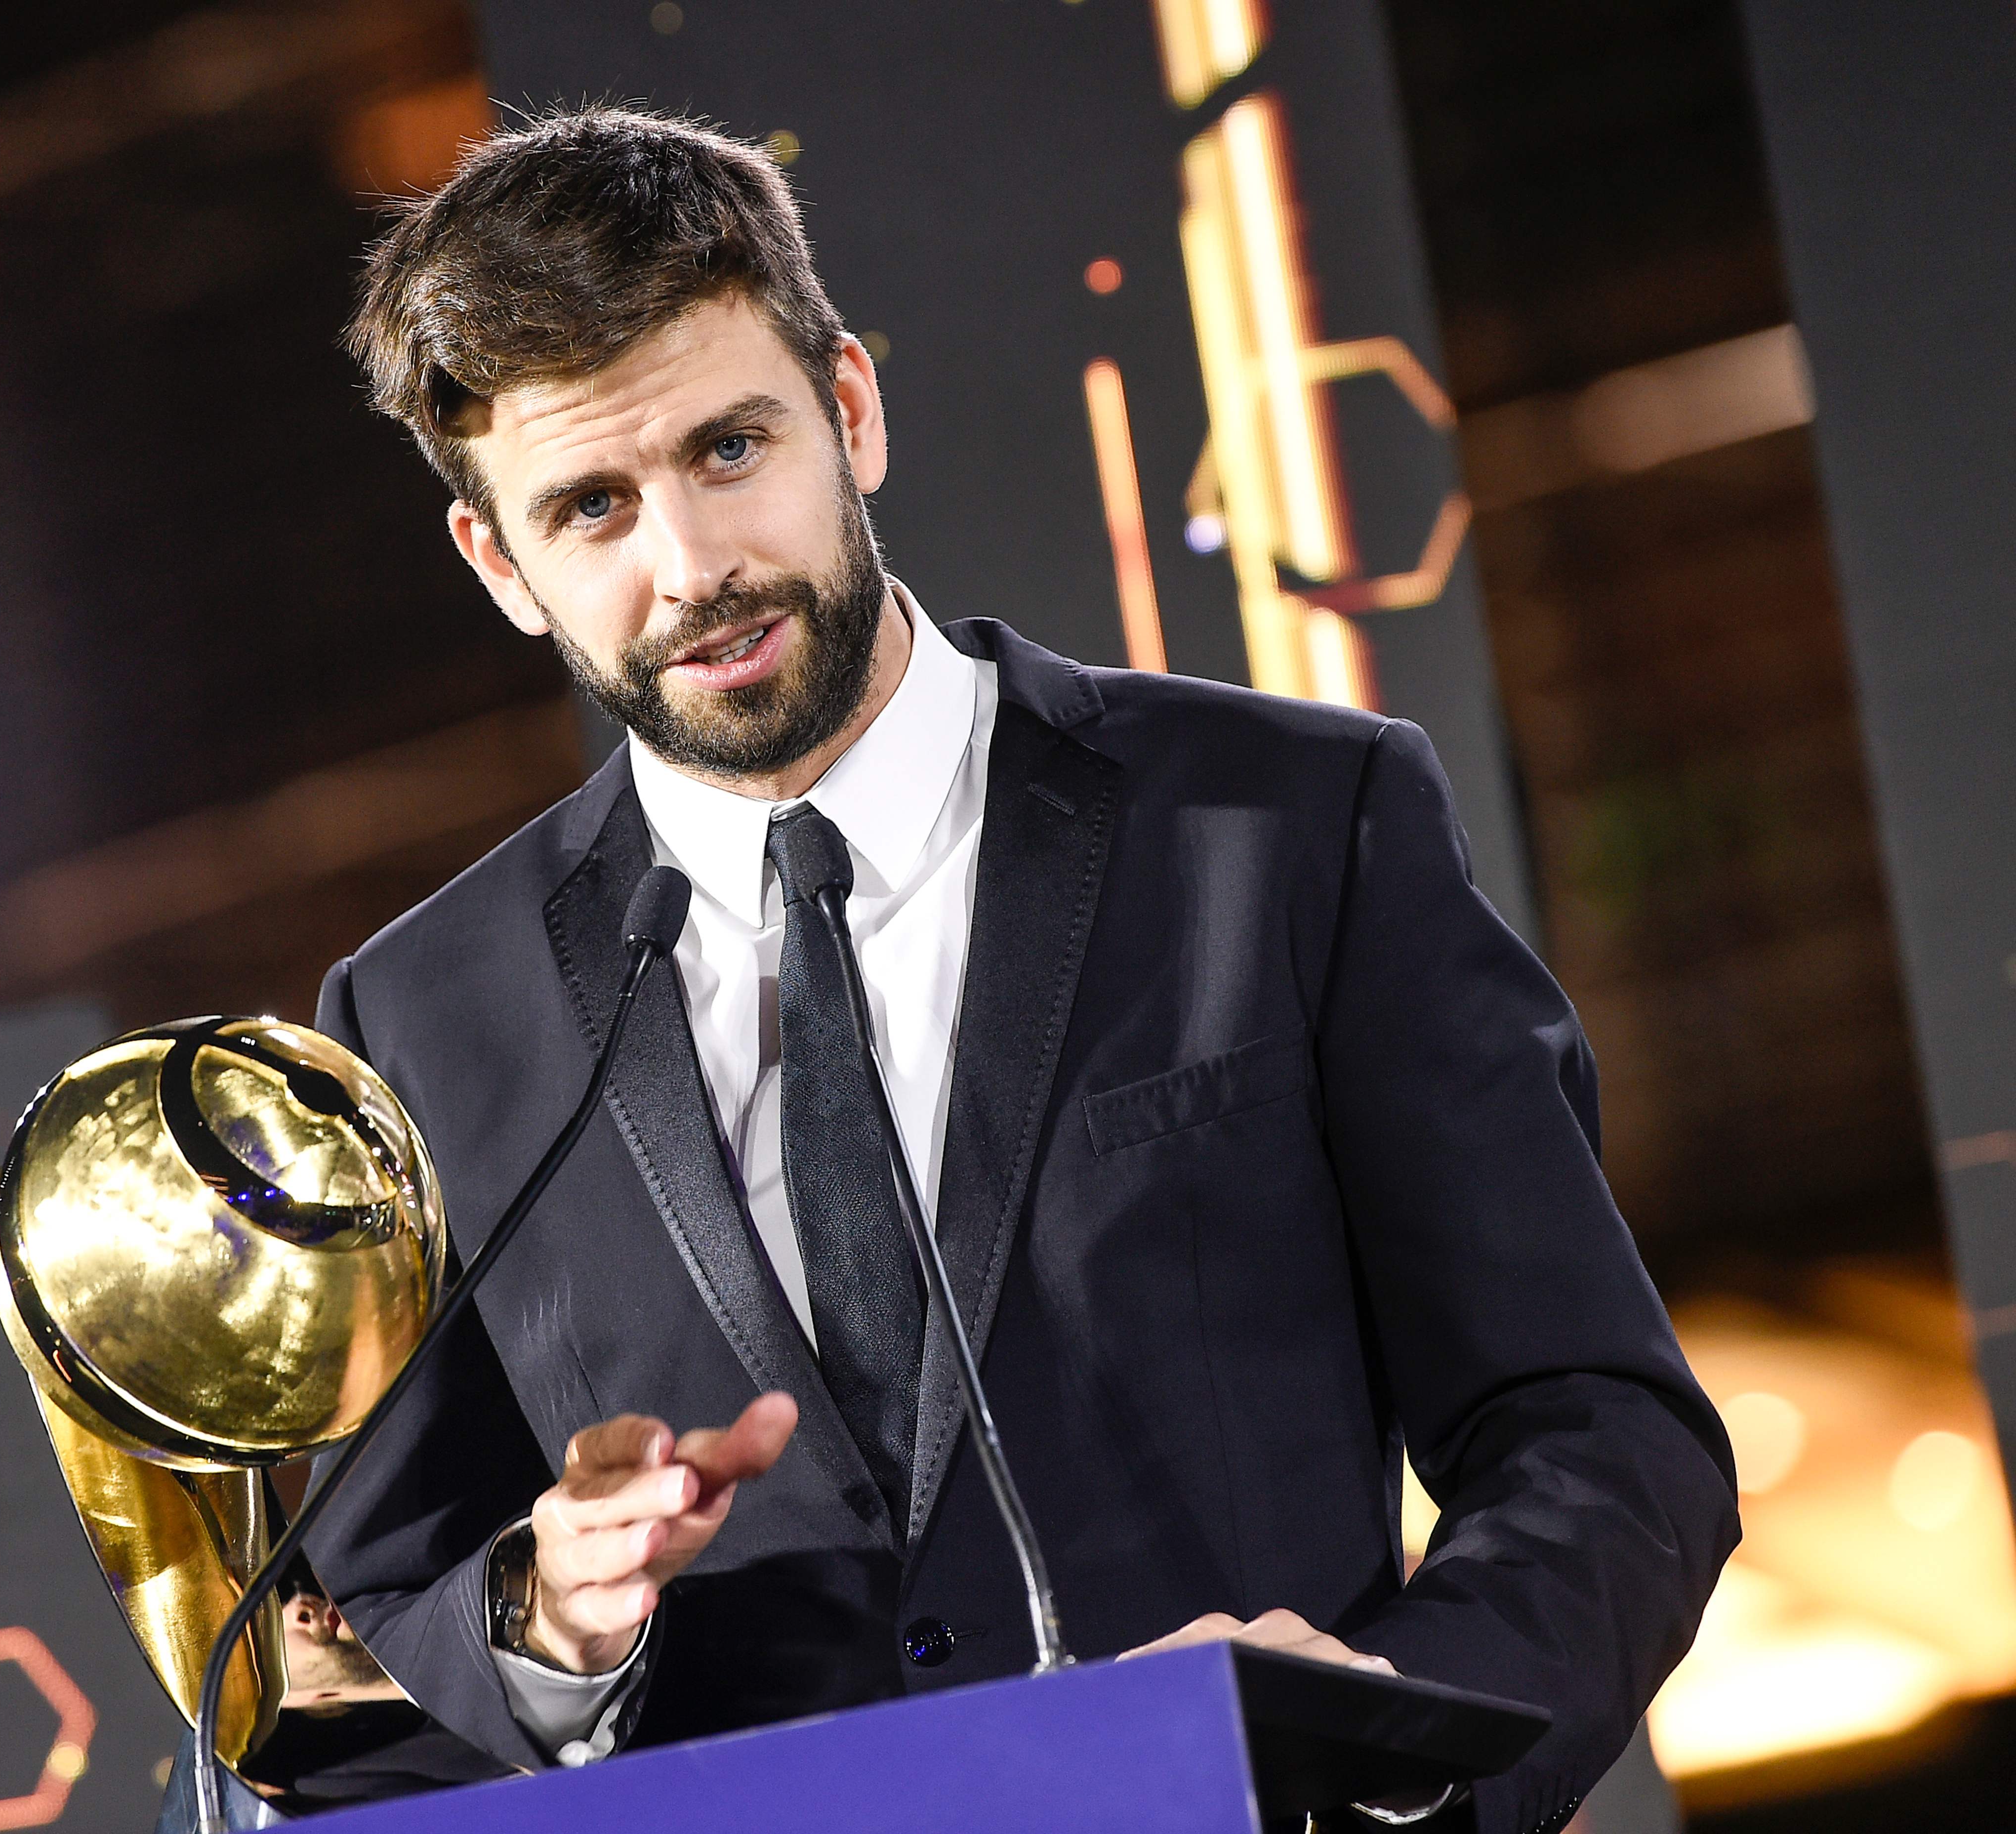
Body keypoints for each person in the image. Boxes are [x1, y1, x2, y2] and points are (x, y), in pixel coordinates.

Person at [298, 106, 1736, 1834]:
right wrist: (550, 1618)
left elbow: (1599, 1430)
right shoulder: (417, 1022)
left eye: (731, 449)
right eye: (592, 506)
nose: (690, 569)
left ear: (850, 410)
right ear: (501, 564)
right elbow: (379, 1624)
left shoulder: (1289, 826)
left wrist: (1392, 1746)